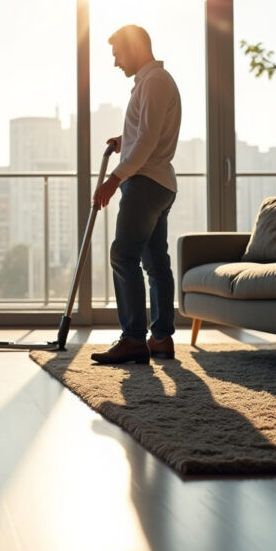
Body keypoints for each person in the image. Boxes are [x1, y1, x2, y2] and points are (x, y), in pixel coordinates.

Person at [90, 25, 181, 364]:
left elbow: (146, 142)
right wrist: (123, 141)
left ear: (136, 47)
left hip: (145, 184)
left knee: (123, 255)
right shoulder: (151, 83)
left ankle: (132, 339)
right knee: (156, 262)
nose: (116, 62)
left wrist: (114, 180)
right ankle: (160, 338)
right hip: (158, 183)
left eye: (118, 54)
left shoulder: (155, 83)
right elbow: (146, 135)